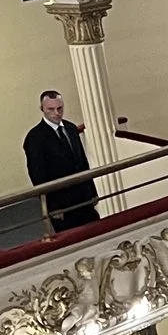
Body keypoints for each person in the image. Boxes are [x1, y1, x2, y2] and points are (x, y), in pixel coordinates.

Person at [22, 90, 99, 232]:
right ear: (42, 110)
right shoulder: (35, 138)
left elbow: (82, 161)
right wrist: (52, 207)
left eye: (60, 108)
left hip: (83, 196)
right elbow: (38, 176)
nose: (56, 113)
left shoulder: (70, 129)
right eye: (51, 109)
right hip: (61, 203)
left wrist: (92, 191)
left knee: (97, 231)